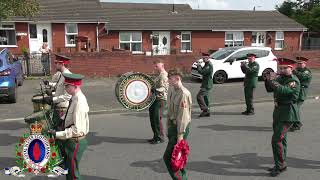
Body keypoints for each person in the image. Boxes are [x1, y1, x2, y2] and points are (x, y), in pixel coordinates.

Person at [48, 73, 89, 180]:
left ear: (75, 86)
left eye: (67, 86)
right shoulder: (74, 97)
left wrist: (58, 134)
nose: (65, 88)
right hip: (71, 140)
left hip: (75, 141)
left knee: (73, 174)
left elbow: (77, 130)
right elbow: (69, 117)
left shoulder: (79, 102)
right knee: (68, 171)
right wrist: (60, 123)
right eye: (65, 85)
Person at [264, 58, 300, 177]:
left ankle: (280, 165)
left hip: (288, 113)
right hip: (278, 111)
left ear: (291, 68)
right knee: (282, 139)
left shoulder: (293, 80)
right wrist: (267, 80)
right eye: (281, 68)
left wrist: (273, 80)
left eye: (285, 68)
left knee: (276, 140)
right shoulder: (281, 78)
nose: (282, 70)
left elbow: (283, 90)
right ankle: (281, 163)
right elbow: (270, 89)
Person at [163, 68, 192, 180]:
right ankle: (182, 178)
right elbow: (170, 110)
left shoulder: (184, 94)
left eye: (170, 79)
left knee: (170, 157)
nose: (168, 81)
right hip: (173, 126)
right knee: (177, 159)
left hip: (180, 129)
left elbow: (183, 117)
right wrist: (168, 127)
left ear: (177, 79)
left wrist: (180, 136)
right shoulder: (172, 89)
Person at [43, 54, 72, 129]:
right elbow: (60, 89)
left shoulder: (67, 76)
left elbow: (67, 96)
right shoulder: (62, 74)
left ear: (62, 64)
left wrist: (52, 99)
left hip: (63, 109)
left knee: (59, 131)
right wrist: (52, 94)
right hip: (58, 107)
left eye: (56, 63)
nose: (55, 65)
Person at [148, 59, 169, 144]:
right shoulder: (159, 75)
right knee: (153, 118)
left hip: (161, 99)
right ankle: (156, 136)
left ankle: (160, 137)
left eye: (157, 66)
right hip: (156, 98)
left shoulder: (164, 75)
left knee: (157, 119)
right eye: (155, 66)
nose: (155, 67)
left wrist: (155, 89)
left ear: (162, 65)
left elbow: (164, 88)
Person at [291, 56, 312, 131]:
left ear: (305, 64)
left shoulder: (307, 71)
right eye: (298, 63)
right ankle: (295, 123)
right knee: (293, 108)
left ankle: (297, 123)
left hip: (301, 92)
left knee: (295, 108)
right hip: (295, 91)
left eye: (300, 63)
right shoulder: (296, 70)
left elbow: (302, 76)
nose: (299, 65)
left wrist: (294, 71)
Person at [196, 53, 213, 117]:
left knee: (199, 96)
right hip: (205, 83)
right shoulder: (206, 64)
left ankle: (206, 110)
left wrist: (198, 66)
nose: (203, 59)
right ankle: (206, 112)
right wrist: (199, 65)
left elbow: (202, 72)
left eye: (204, 58)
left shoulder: (209, 65)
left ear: (208, 58)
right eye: (203, 58)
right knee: (205, 98)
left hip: (207, 84)